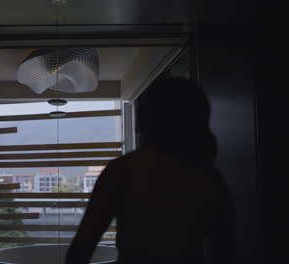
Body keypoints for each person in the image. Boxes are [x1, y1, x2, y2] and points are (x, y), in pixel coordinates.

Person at [65, 77, 236, 264]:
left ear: (144, 117)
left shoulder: (121, 172)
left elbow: (81, 249)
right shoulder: (210, 179)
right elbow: (226, 251)